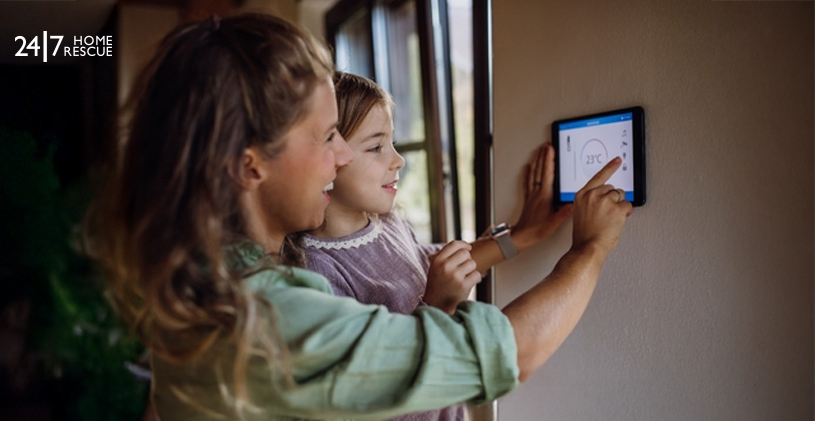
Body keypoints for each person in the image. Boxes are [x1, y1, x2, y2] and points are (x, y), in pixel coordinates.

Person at [85, 11, 632, 421]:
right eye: (327, 137)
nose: (343, 156)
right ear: (250, 165)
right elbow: (503, 355)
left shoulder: (206, 278)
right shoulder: (271, 319)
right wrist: (590, 249)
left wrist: (524, 233)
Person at [292, 72, 570, 421]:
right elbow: (381, 397)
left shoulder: (387, 224)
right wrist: (438, 304)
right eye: (376, 146)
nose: (398, 159)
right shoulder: (316, 269)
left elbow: (439, 263)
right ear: (330, 158)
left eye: (391, 142)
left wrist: (524, 236)